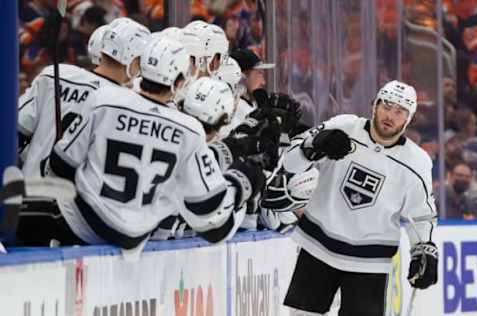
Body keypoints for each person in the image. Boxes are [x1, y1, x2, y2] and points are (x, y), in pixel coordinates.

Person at [17, 37, 264, 250]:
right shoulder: (188, 129)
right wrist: (241, 181)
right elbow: (214, 223)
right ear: (179, 83)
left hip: (79, 225)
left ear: (139, 68)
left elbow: (61, 165)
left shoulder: (103, 100)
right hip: (138, 239)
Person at [280, 80, 438, 315]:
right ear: (374, 105)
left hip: (369, 262)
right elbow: (290, 163)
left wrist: (424, 249)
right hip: (317, 247)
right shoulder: (342, 127)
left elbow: (422, 216)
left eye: (399, 111)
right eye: (386, 106)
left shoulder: (417, 162)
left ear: (409, 119)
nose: (390, 115)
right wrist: (312, 145)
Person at [17, 18, 150, 179]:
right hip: (73, 199)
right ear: (133, 59)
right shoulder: (125, 102)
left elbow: (17, 130)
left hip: (30, 189)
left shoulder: (55, 74)